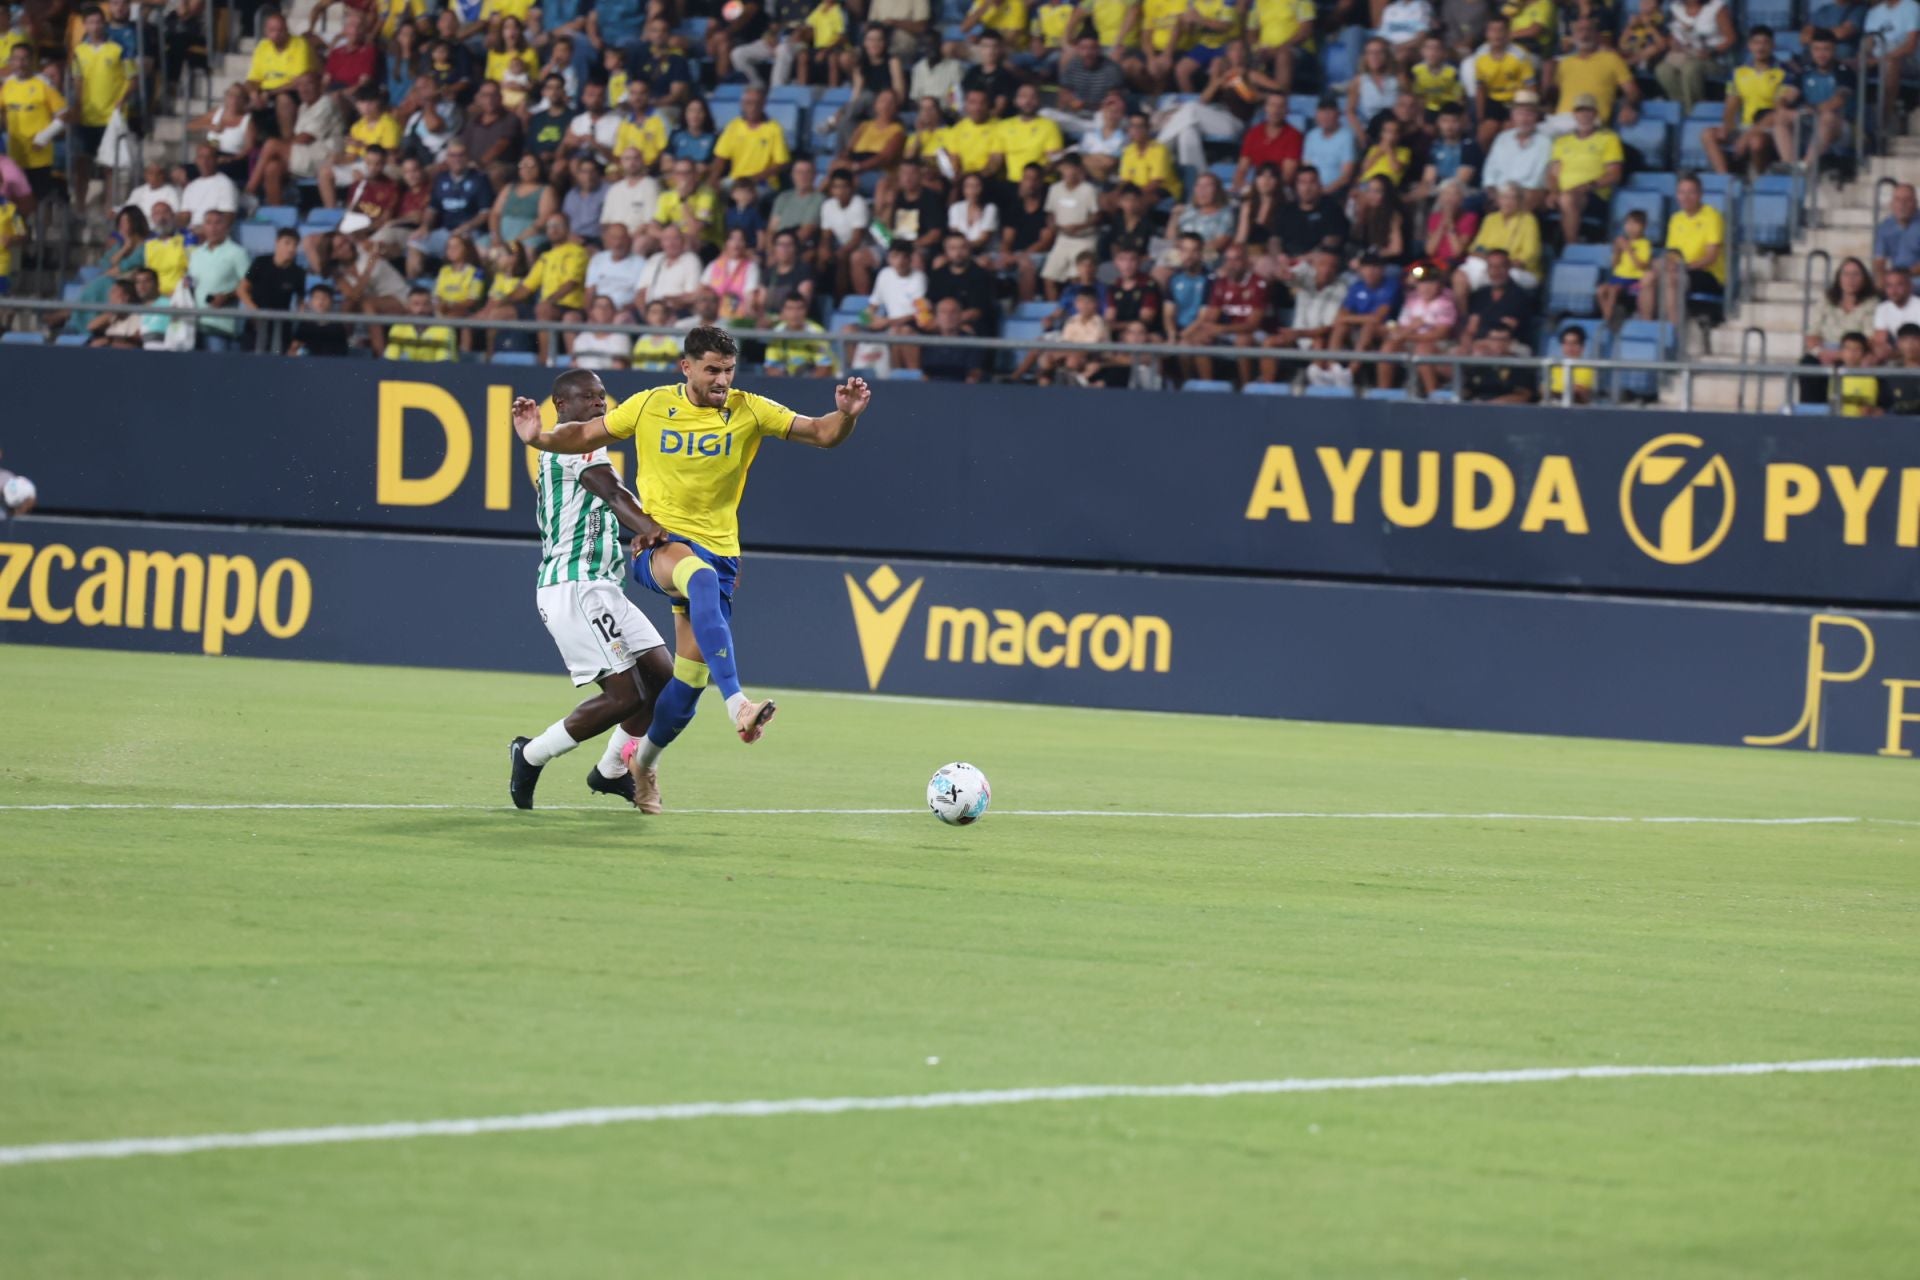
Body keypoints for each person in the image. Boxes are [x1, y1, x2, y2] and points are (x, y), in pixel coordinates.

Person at [508, 332, 873, 788]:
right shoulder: (647, 406)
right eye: (712, 370)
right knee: (686, 595)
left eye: (728, 370)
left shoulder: (750, 408)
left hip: (714, 553)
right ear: (687, 367)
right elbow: (594, 456)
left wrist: (845, 416)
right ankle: (737, 703)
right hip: (652, 552)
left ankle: (625, 767)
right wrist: (538, 436)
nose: (722, 380)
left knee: (680, 683)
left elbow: (823, 434)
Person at [503, 369, 675, 811]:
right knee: (626, 696)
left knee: (661, 679)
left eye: (602, 396)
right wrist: (651, 529)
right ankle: (530, 754)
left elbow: (610, 498)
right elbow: (610, 489)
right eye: (588, 397)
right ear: (562, 406)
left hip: (603, 586)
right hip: (573, 585)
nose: (600, 404)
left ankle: (611, 770)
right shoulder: (564, 444)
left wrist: (641, 528)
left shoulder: (584, 445)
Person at [1702, 25, 1798, 178]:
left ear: (1772, 46)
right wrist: (1728, 127)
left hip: (1770, 127)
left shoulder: (1785, 72)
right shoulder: (1739, 72)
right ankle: (1725, 180)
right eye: (1756, 42)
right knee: (1708, 134)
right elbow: (1731, 106)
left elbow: (1778, 111)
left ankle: (1758, 179)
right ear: (1749, 46)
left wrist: (1746, 136)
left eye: (1765, 43)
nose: (1760, 47)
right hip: (1745, 125)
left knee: (1756, 142)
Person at [1639, 172, 1723, 325]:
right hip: (1680, 268)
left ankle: (1674, 333)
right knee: (1648, 277)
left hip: (1706, 273)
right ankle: (1647, 328)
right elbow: (1672, 253)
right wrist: (1665, 263)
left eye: (1691, 192)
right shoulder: (1676, 219)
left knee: (1672, 279)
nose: (1686, 197)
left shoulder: (1712, 216)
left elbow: (1711, 257)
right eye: (1681, 192)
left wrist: (1683, 267)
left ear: (1700, 194)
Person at [1546, 95, 1623, 245]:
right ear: (1574, 114)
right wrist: (1553, 191)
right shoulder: (1562, 141)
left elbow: (1615, 174)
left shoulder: (1608, 138)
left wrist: (1587, 186)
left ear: (1595, 114)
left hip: (1593, 193)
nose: (1584, 115)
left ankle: (1571, 247)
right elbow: (1552, 173)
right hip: (1563, 192)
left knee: (1567, 199)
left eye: (1589, 111)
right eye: (1580, 111)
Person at [1378, 260, 1456, 393]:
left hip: (1438, 345)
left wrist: (1408, 335)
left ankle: (1433, 393)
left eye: (1431, 283)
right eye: (1422, 283)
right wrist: (1410, 329)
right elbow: (1402, 327)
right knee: (1388, 346)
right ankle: (1384, 392)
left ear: (1439, 285)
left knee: (1422, 349)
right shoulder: (1412, 300)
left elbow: (1441, 333)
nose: (1426, 287)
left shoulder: (1445, 302)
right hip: (1411, 340)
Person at [1657, 0, 1734, 113]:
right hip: (1686, 53)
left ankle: (1694, 111)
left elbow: (1731, 38)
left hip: (1713, 58)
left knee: (1690, 68)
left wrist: (1711, 52)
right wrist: (1673, 43)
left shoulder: (1717, 7)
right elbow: (1672, 35)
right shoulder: (1676, 8)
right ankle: (1681, 107)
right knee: (1663, 70)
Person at [1596, 207, 1653, 324]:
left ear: (1644, 226)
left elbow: (1642, 265)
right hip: (1618, 277)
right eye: (1628, 223)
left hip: (1633, 279)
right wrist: (1617, 250)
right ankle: (1607, 315)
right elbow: (1614, 265)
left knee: (1613, 290)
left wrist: (1629, 249)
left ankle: (1607, 320)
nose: (1631, 227)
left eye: (1635, 224)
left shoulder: (1644, 244)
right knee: (1601, 290)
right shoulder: (1622, 243)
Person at [1871, 265, 1920, 359]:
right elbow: (1880, 341)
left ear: (1910, 287)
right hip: (1896, 353)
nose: (1894, 290)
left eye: (1899, 284)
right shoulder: (1882, 308)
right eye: (1889, 285)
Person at [1876, 183, 1920, 281]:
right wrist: (1881, 276)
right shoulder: (1885, 226)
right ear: (1892, 203)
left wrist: (1904, 275)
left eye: (1907, 200)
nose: (1902, 204)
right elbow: (1879, 259)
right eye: (1898, 200)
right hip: (1896, 278)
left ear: (1915, 203)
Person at [1548, 325, 1597, 403]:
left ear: (1582, 346)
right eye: (1566, 343)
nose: (1570, 347)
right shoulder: (1555, 366)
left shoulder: (1588, 368)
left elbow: (1579, 392)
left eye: (1574, 343)